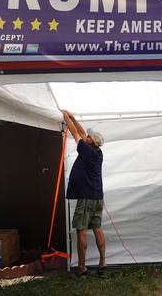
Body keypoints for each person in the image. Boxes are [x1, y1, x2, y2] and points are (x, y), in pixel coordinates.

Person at [61, 110, 107, 277]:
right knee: (97, 228)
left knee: (81, 230)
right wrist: (73, 117)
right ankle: (103, 264)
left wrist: (65, 117)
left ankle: (82, 268)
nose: (86, 136)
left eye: (89, 136)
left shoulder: (86, 151)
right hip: (97, 198)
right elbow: (81, 132)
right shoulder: (98, 152)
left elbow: (75, 132)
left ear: (90, 142)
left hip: (86, 198)